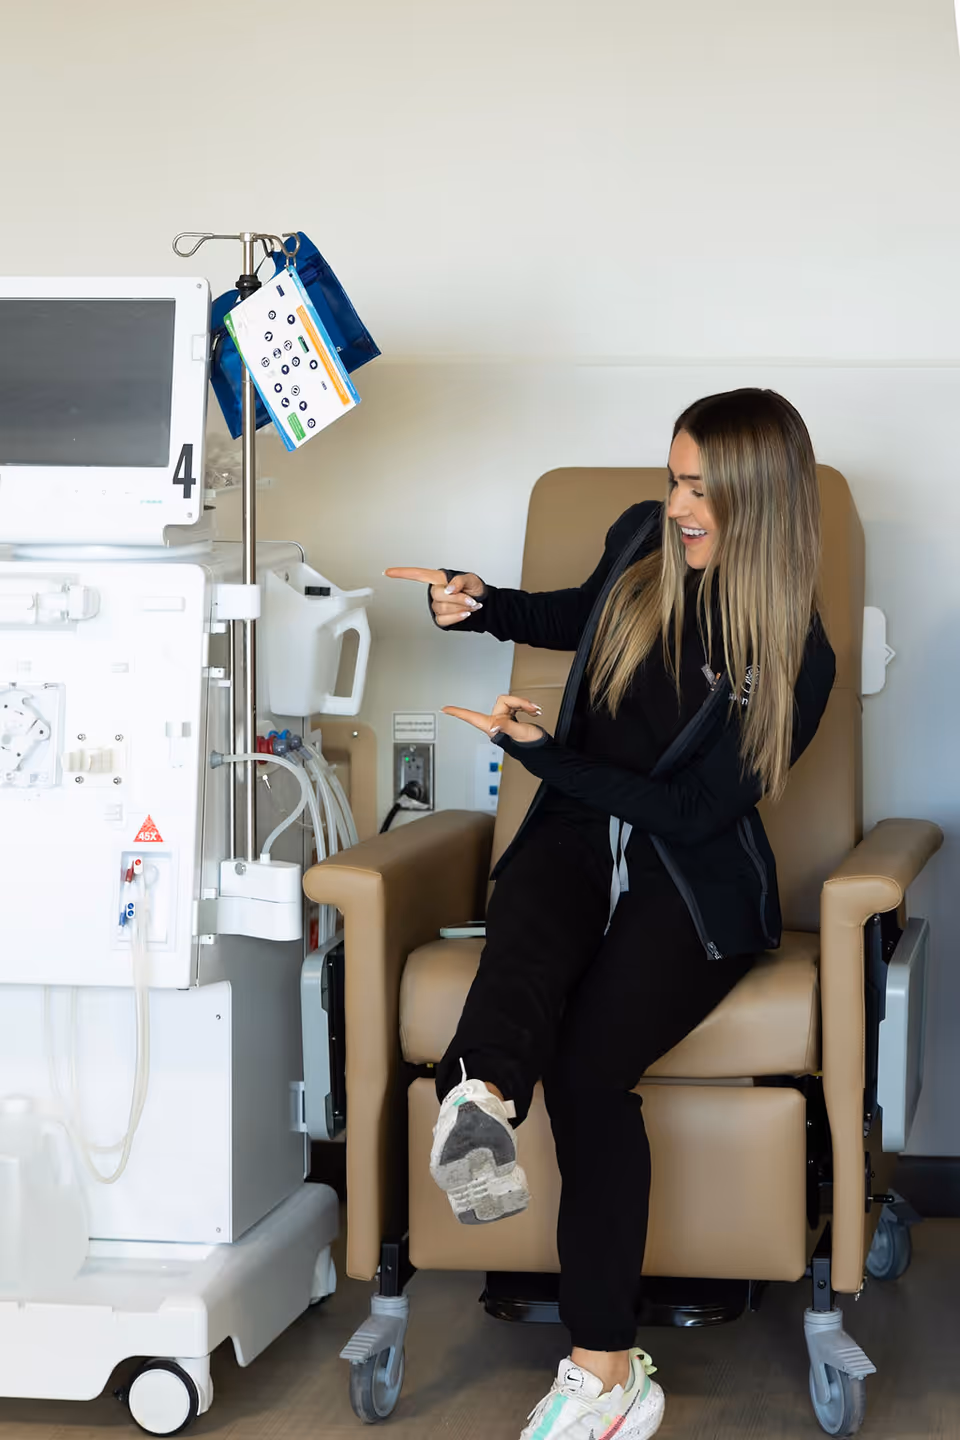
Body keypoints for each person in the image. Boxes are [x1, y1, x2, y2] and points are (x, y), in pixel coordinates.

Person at [386, 388, 836, 1440]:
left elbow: (691, 808)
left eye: (697, 489)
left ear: (760, 502)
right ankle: (483, 1102)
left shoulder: (793, 655)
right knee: (533, 914)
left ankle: (604, 1368)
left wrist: (549, 759)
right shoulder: (644, 537)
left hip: (693, 881)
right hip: (577, 835)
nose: (675, 502)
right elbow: (579, 615)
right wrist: (480, 599)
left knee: (590, 1070)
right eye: (674, 477)